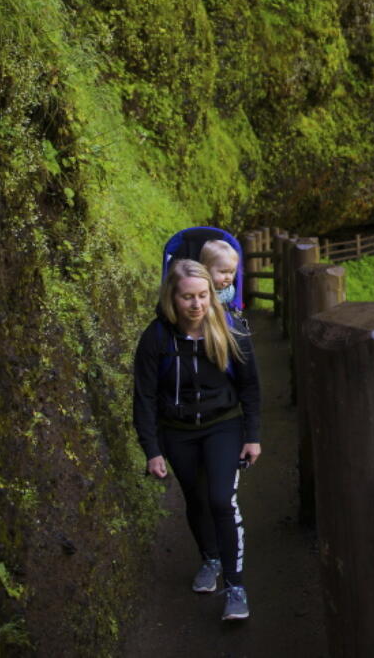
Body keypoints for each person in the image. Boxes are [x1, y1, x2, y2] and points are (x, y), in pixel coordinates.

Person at [132, 258, 261, 622]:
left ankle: (236, 588)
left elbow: (251, 385)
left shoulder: (230, 328)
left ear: (212, 295)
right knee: (196, 499)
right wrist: (152, 450)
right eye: (187, 297)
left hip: (224, 424)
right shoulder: (156, 337)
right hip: (177, 432)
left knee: (221, 499)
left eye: (203, 295)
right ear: (172, 298)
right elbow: (143, 396)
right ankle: (211, 559)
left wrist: (253, 435)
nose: (197, 304)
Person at [198, 238, 243, 319]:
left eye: (232, 272)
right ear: (205, 269)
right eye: (223, 272)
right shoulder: (198, 288)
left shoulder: (230, 291)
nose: (229, 277)